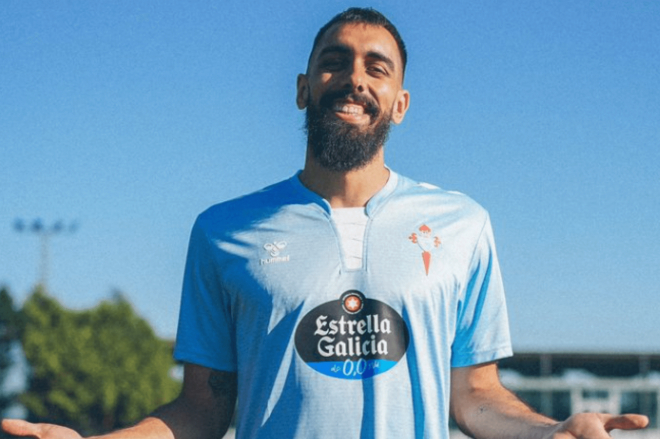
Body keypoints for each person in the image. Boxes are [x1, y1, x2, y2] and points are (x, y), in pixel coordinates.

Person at [2, 7, 649, 439]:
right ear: (303, 86)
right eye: (335, 61)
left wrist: (551, 431)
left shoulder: (463, 225)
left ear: (400, 102)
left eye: (377, 66)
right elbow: (202, 407)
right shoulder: (223, 232)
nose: (353, 78)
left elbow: (475, 396)